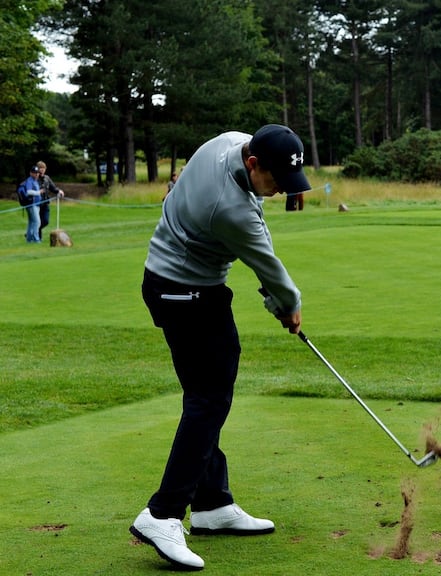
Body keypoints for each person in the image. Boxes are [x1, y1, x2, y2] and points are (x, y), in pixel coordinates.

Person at [131, 124, 309, 571]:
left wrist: (284, 185)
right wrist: (287, 306)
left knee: (208, 395)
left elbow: (262, 213)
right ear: (253, 164)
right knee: (208, 401)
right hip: (185, 294)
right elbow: (267, 264)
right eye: (274, 181)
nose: (277, 191)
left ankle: (212, 504)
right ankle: (163, 513)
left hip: (178, 286)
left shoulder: (230, 140)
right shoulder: (229, 210)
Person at [35, 161, 65, 237]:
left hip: (45, 203)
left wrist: (59, 191)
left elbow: (53, 188)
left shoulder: (47, 178)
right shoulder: (34, 178)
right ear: (37, 169)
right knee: (37, 221)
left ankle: (32, 231)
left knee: (45, 221)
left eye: (43, 168)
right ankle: (37, 238)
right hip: (37, 204)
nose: (42, 170)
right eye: (40, 168)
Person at [20, 166, 42, 243]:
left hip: (36, 204)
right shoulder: (29, 181)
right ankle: (36, 239)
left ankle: (29, 239)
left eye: (37, 173)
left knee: (31, 222)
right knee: (37, 222)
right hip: (32, 204)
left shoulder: (35, 181)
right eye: (35, 173)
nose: (36, 174)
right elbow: (28, 192)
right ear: (31, 173)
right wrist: (39, 192)